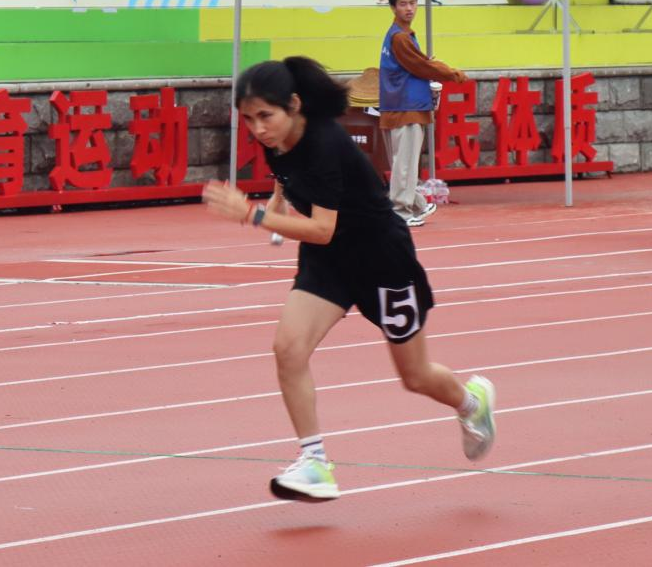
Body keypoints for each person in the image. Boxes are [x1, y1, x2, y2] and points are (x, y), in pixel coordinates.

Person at [202, 57, 496, 502]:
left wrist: (252, 215)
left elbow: (323, 227)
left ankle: (472, 402)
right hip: (328, 261)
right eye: (248, 119)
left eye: (266, 116)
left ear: (294, 105)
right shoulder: (276, 140)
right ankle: (315, 463)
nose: (258, 129)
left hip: (382, 260)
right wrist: (276, 202)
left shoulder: (325, 143)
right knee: (288, 349)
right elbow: (288, 178)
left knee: (415, 377)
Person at [381, 0, 466, 226]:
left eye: (412, 3)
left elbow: (418, 63)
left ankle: (416, 203)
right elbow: (422, 66)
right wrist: (452, 73)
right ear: (393, 8)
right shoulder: (400, 37)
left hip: (399, 105)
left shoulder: (400, 35)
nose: (409, 8)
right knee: (405, 164)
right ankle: (401, 212)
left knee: (404, 162)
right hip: (405, 106)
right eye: (403, 4)